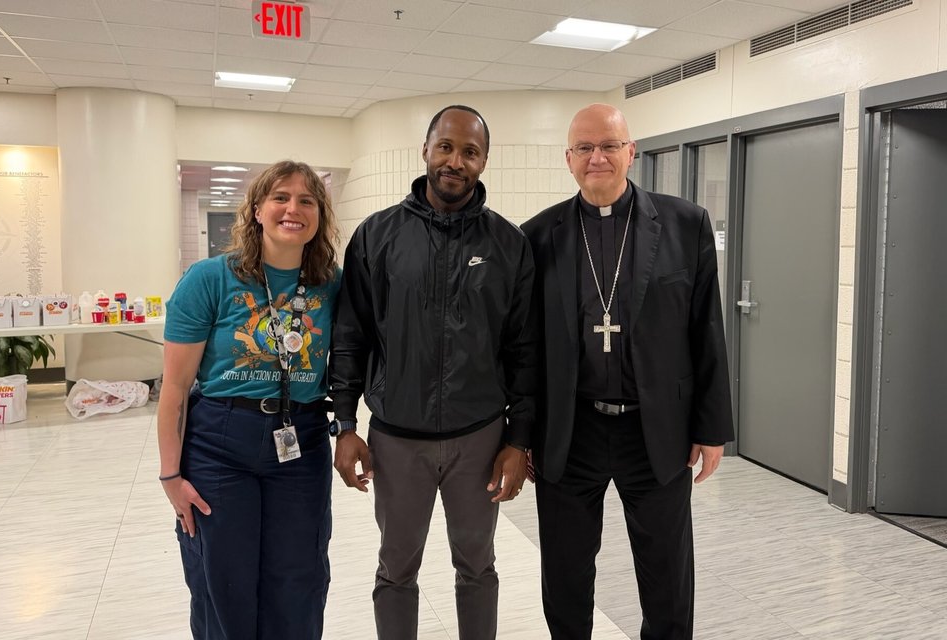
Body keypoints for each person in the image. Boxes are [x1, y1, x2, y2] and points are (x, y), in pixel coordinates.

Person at [520, 104, 734, 640]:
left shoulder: (685, 224)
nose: (597, 157)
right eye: (585, 148)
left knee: (667, 576)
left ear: (631, 152)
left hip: (655, 428)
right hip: (570, 430)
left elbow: (707, 330)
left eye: (609, 146)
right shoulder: (537, 236)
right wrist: (520, 435)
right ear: (568, 158)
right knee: (566, 574)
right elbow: (524, 347)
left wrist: (711, 429)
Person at [329, 105, 536, 640]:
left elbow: (524, 350)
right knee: (396, 570)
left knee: (478, 567)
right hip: (398, 439)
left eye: (470, 152)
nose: (455, 161)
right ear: (425, 149)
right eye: (445, 146)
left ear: (484, 161)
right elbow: (350, 337)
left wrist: (519, 440)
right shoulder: (376, 236)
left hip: (480, 438)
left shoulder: (508, 244)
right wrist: (345, 425)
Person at [157, 160, 340, 639]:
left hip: (301, 441)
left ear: (319, 215)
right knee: (224, 580)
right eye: (280, 197)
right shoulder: (210, 279)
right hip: (220, 444)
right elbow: (175, 388)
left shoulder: (331, 283)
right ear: (257, 209)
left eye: (307, 200)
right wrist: (171, 476)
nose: (293, 209)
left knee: (299, 578)